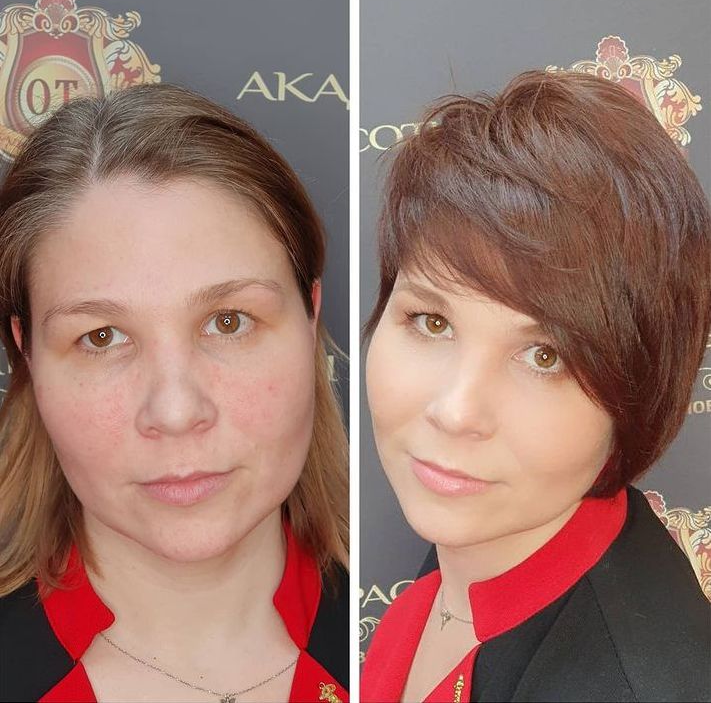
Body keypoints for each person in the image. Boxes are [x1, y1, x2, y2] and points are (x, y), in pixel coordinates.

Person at [361, 70, 710, 702]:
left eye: (545, 355)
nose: (456, 411)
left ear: (639, 389)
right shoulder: (488, 532)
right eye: (432, 321)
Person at [0, 83, 348, 703]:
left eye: (229, 322)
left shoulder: (414, 658)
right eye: (102, 337)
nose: (177, 411)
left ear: (310, 314)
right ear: (27, 353)